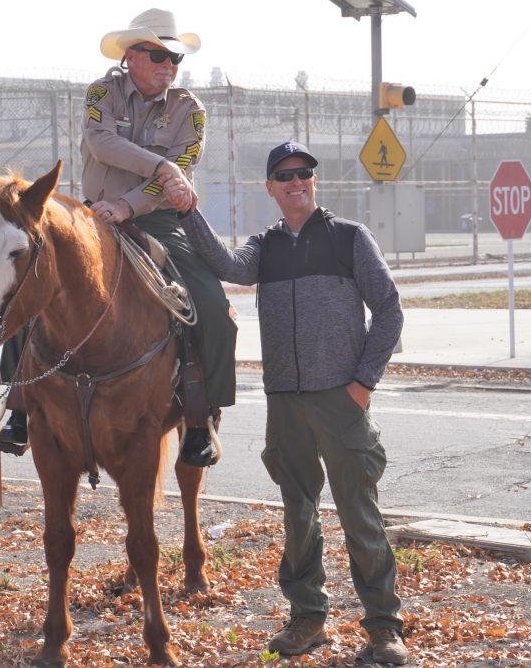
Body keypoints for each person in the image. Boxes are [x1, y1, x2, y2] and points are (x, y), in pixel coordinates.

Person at [165, 142, 409, 664]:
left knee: (359, 514)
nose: (295, 182)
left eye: (304, 173)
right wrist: (188, 211)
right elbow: (226, 263)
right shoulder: (265, 247)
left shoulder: (349, 239)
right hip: (285, 403)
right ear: (270, 188)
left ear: (314, 182)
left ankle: (385, 627)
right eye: (284, 175)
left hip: (340, 400)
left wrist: (363, 383)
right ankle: (307, 620)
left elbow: (389, 310)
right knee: (298, 515)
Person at [81, 8, 237, 467]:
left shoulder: (191, 110)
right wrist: (161, 165)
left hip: (159, 220)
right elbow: (99, 142)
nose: (169, 65)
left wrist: (131, 203)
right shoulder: (100, 93)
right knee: (31, 278)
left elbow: (176, 179)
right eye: (158, 55)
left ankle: (201, 418)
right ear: (131, 55)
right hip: (95, 216)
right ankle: (20, 405)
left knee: (212, 307)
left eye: (175, 58)